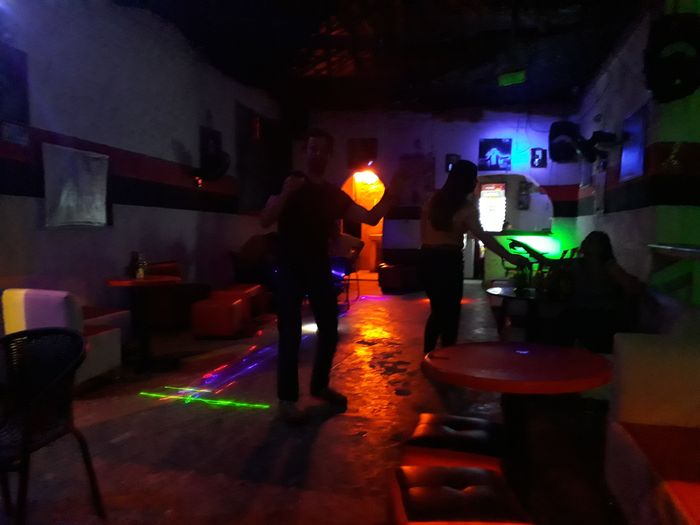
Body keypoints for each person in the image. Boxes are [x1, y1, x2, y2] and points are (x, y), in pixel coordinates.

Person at [260, 128, 399, 423]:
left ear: (330, 155)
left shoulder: (333, 195)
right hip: (289, 267)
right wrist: (286, 193)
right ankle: (287, 400)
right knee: (290, 333)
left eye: (322, 150)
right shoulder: (290, 183)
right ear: (305, 151)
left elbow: (370, 217)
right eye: (312, 149)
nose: (316, 154)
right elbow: (265, 220)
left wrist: (394, 192)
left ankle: (320, 386)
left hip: (318, 267)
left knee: (330, 330)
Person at [419, 160, 528, 354]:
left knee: (437, 311)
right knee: (450, 313)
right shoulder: (466, 208)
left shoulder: (433, 201)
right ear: (466, 181)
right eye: (473, 178)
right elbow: (484, 237)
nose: (476, 182)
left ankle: (428, 355)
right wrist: (510, 257)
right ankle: (447, 356)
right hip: (449, 261)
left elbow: (423, 233)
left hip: (427, 259)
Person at [508, 231, 643, 353]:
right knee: (561, 324)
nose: (585, 243)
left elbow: (632, 287)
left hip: (601, 316)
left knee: (567, 323)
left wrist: (626, 306)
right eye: (587, 240)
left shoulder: (609, 266)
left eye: (590, 241)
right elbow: (548, 262)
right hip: (580, 312)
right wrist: (523, 246)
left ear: (601, 248)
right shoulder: (578, 264)